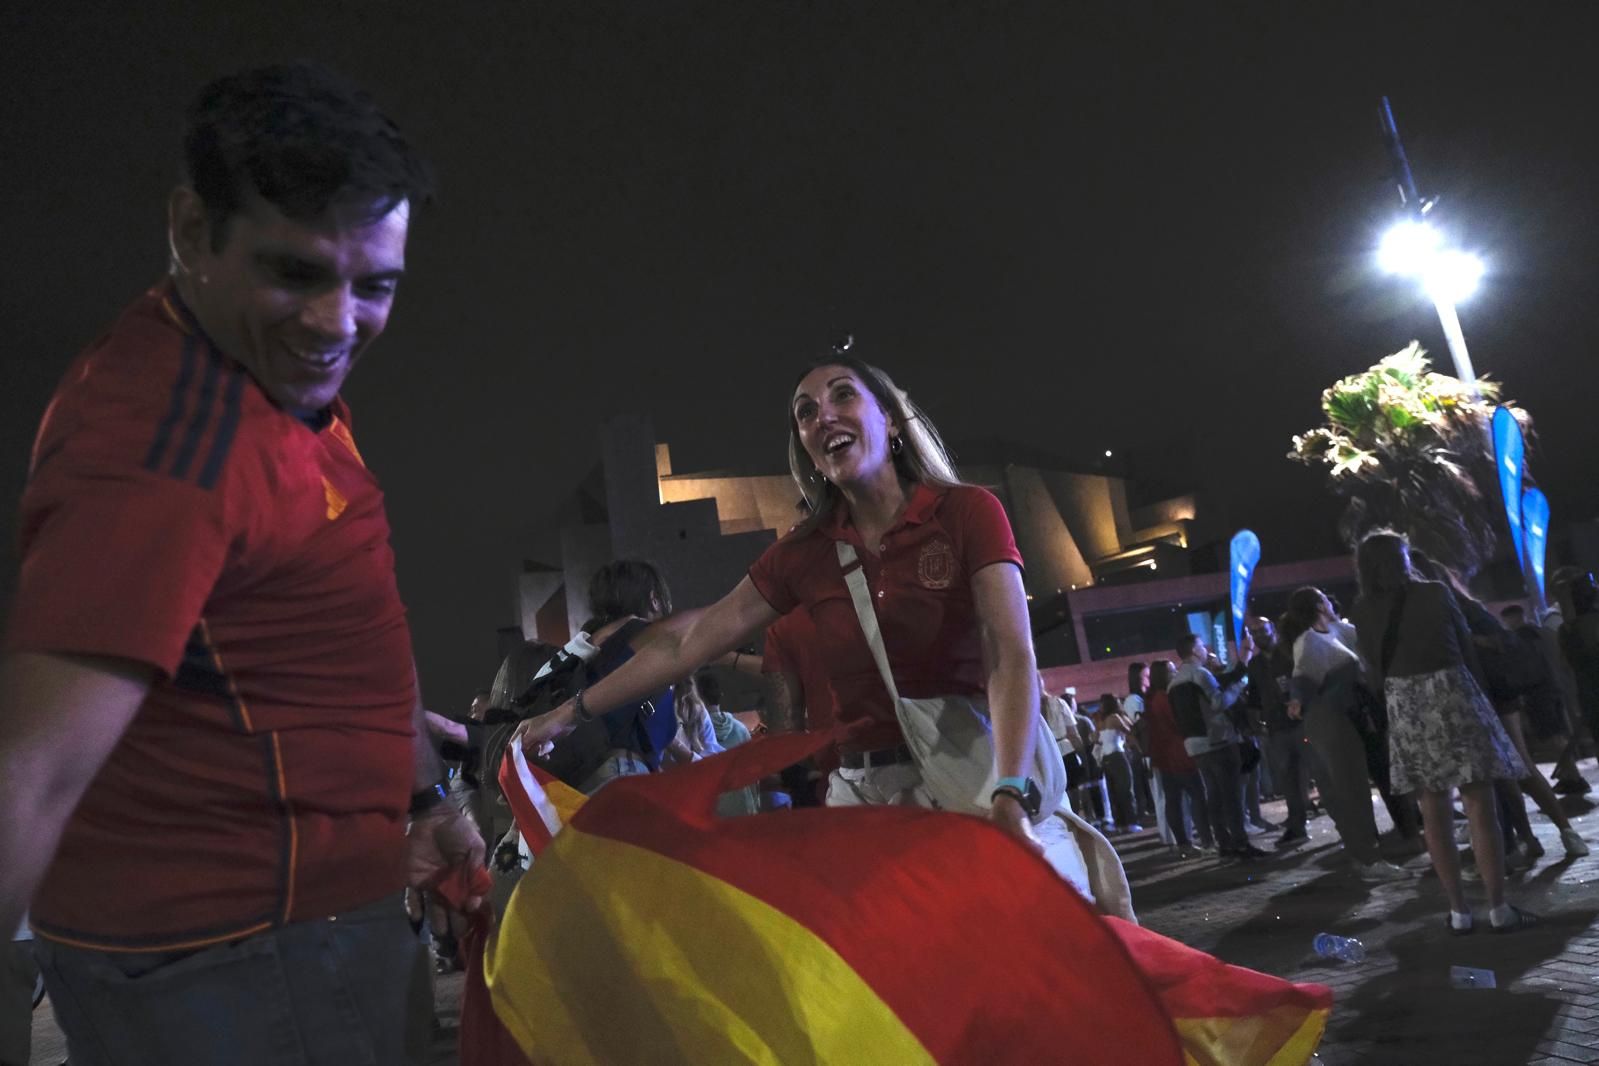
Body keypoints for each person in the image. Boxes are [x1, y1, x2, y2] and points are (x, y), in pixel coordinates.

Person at [0, 63, 484, 1065]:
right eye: (295, 273)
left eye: (374, 285)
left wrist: (429, 801)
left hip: (294, 934)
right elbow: (31, 774)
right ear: (189, 230)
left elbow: (330, 645)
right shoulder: (166, 449)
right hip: (239, 969)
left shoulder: (271, 383)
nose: (336, 322)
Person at [514, 344, 1061, 862]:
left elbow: (1008, 652)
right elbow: (685, 643)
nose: (823, 417)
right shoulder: (802, 554)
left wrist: (1010, 791)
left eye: (843, 395)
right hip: (867, 802)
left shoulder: (967, 513)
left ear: (891, 419)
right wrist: (565, 714)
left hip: (979, 781)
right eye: (805, 412)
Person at [1349, 532, 1532, 933]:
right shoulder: (1433, 592)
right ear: (1403, 558)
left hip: (1406, 704)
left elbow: (1373, 672)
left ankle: (1458, 912)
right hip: (1453, 693)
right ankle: (1499, 907)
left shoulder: (1363, 609)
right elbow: (1464, 648)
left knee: (1433, 815)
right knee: (1481, 808)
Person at [1279, 588, 1407, 881]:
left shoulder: (1338, 630)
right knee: (1350, 789)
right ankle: (1367, 859)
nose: (1330, 600)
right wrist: (1297, 701)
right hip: (1329, 718)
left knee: (1355, 786)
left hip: (1350, 715)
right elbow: (1302, 681)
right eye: (1325, 597)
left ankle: (1370, 855)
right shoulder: (1309, 641)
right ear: (1318, 606)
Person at [1169, 634, 1266, 860]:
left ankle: (1224, 844)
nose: (1205, 649)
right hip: (1218, 740)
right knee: (1231, 796)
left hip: (1195, 745)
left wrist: (1244, 657)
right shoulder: (1200, 674)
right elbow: (1218, 702)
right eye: (1202, 646)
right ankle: (1241, 844)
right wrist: (1238, 688)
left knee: (1213, 796)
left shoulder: (1173, 682)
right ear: (1194, 650)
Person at [1245, 617, 1311, 850]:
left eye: (1263, 630)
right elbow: (1253, 697)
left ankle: (1346, 824)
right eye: (1254, 633)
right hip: (1277, 729)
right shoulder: (1255, 665)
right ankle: (1297, 827)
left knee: (1323, 774)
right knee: (1289, 781)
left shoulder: (1289, 653)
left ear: (1272, 629)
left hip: (1303, 722)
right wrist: (1256, 723)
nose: (1259, 635)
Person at [1146, 659, 1212, 858]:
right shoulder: (1165, 698)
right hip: (1179, 754)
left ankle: (1183, 843)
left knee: (1173, 800)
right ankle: (1206, 839)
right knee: (1198, 796)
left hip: (1163, 756)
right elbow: (1177, 722)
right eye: (1171, 671)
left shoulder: (1150, 699)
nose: (1175, 674)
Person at [1094, 694, 1143, 833]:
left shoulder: (1101, 721)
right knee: (1126, 789)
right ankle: (1131, 822)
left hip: (1106, 758)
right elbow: (1129, 731)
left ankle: (1120, 823)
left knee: (1113, 792)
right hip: (1117, 755)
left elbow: (1095, 738)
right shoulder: (1115, 718)